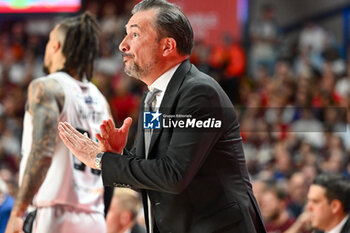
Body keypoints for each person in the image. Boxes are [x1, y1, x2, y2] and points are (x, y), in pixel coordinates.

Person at [58, 0, 266, 232]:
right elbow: (150, 172)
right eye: (125, 34)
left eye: (134, 35)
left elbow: (174, 174)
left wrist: (100, 160)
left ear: (167, 46)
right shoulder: (152, 97)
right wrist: (119, 155)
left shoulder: (198, 93)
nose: (122, 45)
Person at [5, 12, 110, 233]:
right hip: (95, 217)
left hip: (55, 214)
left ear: (56, 46)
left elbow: (42, 153)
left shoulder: (46, 87)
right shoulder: (100, 99)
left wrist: (18, 211)